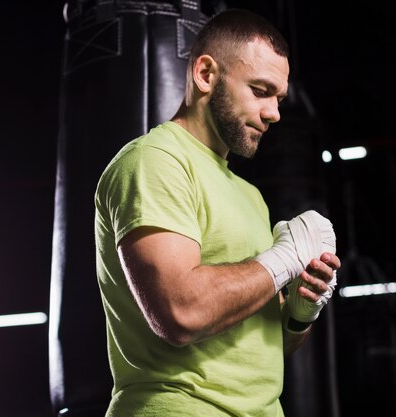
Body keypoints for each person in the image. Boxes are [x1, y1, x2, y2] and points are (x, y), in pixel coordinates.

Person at [94, 8, 341, 417]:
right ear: (206, 74)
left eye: (279, 98)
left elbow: (260, 346)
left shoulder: (250, 196)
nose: (274, 113)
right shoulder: (155, 161)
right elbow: (180, 313)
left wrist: (299, 313)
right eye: (260, 91)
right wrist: (282, 259)